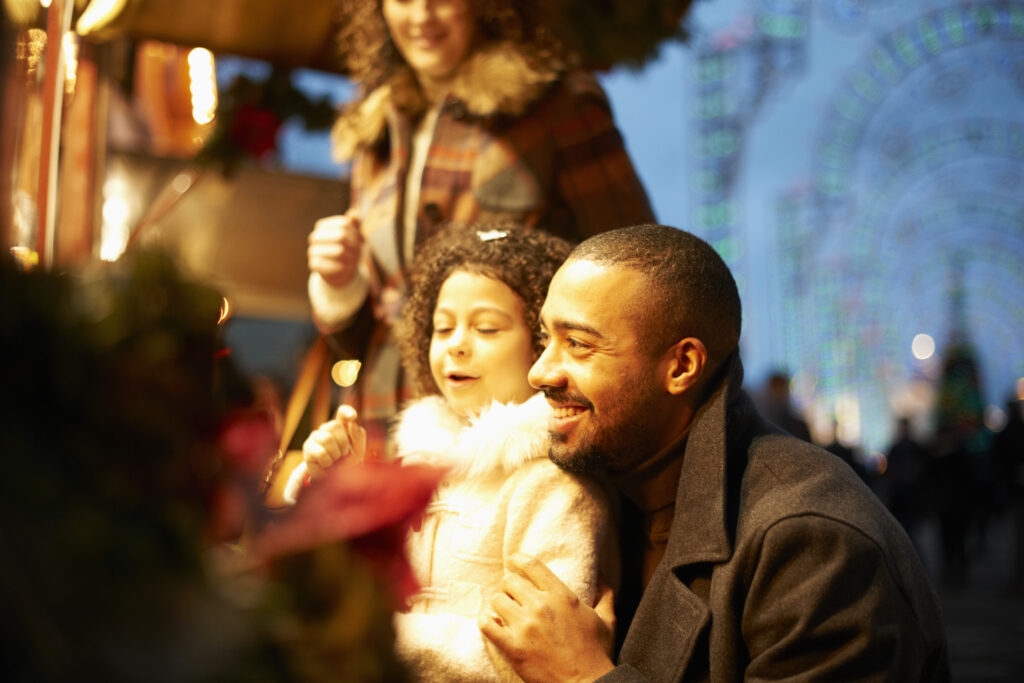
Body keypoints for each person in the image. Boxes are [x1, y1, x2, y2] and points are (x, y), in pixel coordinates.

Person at [479, 224, 949, 682]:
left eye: (578, 345)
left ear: (681, 365)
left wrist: (582, 676)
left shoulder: (809, 537)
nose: (540, 371)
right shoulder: (594, 488)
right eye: (546, 339)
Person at [306, 0, 655, 453]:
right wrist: (339, 281)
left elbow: (635, 273)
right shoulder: (376, 131)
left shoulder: (553, 105)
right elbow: (374, 326)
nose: (421, 15)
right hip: (383, 425)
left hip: (510, 441)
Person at [301, 223, 618, 680]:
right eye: (442, 327)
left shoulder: (553, 484)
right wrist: (336, 488)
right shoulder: (413, 464)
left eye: (486, 327)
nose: (457, 345)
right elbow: (341, 587)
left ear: (541, 343)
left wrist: (378, 636)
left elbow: (536, 655)